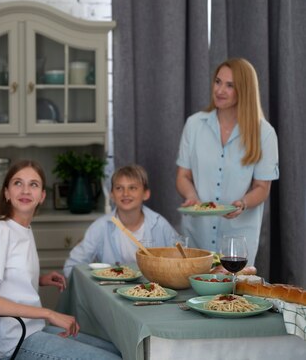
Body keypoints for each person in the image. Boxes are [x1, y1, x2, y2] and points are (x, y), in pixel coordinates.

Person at [0, 160, 121, 360]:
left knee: (116, 350)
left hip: (30, 332)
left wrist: (39, 278)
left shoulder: (22, 228)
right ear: (6, 192)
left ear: (42, 196)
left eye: (33, 184)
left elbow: (6, 273)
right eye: (17, 183)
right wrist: (49, 313)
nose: (25, 190)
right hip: (10, 345)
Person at [176, 57, 279, 264]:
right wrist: (192, 197)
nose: (220, 90)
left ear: (244, 90)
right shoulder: (194, 125)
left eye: (230, 85)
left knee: (231, 296)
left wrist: (243, 203)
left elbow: (262, 187)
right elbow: (183, 176)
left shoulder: (264, 133)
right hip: (197, 234)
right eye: (218, 82)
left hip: (238, 241)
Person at [63, 164, 179, 277]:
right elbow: (70, 267)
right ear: (112, 194)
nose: (125, 194)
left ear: (146, 194)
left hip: (154, 292)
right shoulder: (100, 227)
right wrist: (94, 285)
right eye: (119, 188)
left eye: (132, 188)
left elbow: (183, 261)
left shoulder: (160, 225)